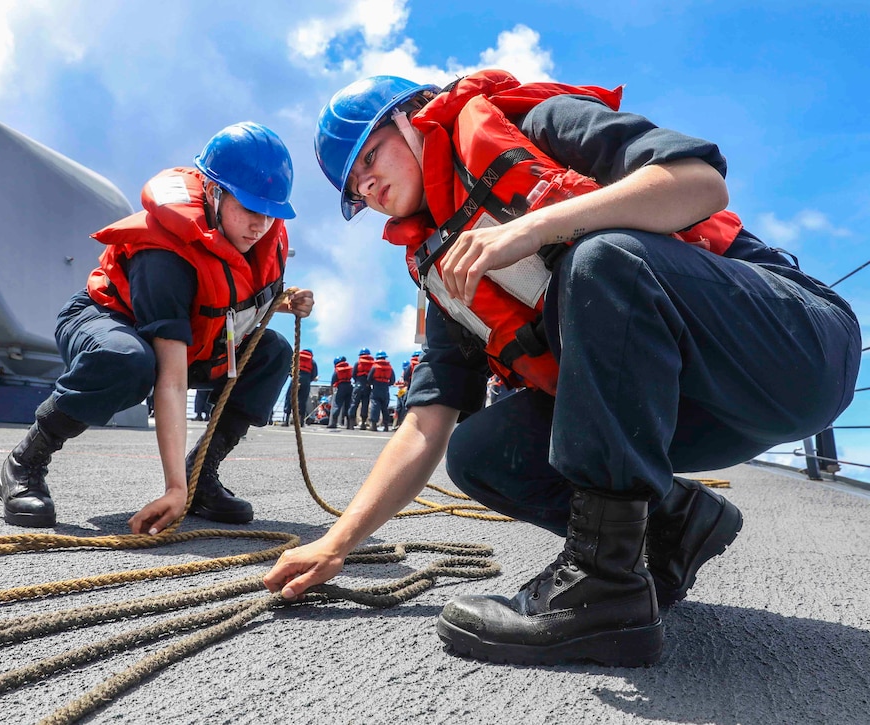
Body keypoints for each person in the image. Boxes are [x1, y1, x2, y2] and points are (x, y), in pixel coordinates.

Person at [265, 70, 860, 667]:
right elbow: (425, 423)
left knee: (601, 260)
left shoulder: (537, 124)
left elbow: (700, 184)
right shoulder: (446, 273)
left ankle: (602, 588)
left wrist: (533, 228)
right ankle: (672, 526)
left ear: (412, 119)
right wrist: (335, 544)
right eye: (354, 186)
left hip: (796, 351)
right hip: (697, 410)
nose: (366, 185)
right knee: (481, 450)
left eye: (370, 155)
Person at [0, 122, 314, 533]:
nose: (261, 225)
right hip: (106, 321)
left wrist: (283, 302)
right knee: (127, 361)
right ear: (214, 192)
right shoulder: (165, 256)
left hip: (196, 341)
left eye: (270, 214)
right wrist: (172, 489)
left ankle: (203, 475)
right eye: (251, 209)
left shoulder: (256, 236)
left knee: (272, 353)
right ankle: (25, 462)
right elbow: (172, 381)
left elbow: (229, 301)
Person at [281, 347, 318, 425]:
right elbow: (314, 375)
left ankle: (286, 420)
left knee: (290, 398)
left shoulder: (296, 358)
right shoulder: (313, 362)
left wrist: (293, 376)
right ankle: (301, 422)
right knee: (302, 400)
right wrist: (308, 380)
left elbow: (290, 369)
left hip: (296, 378)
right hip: (306, 380)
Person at [367, 350, 396, 432]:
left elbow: (369, 378)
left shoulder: (374, 367)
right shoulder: (390, 367)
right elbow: (393, 380)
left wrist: (373, 383)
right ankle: (386, 426)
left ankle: (374, 425)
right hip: (385, 388)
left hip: (376, 387)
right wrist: (387, 384)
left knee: (375, 406)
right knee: (385, 407)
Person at [348, 347, 375, 429]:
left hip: (359, 384)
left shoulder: (358, 363)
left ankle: (351, 423)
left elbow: (353, 374)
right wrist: (369, 383)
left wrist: (357, 381)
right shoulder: (373, 364)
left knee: (354, 403)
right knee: (365, 405)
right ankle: (363, 423)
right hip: (367, 386)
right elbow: (373, 375)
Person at [328, 355, 353, 429]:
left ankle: (333, 423)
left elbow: (333, 380)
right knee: (348, 406)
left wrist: (331, 389)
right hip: (349, 386)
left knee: (337, 404)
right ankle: (349, 425)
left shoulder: (337, 370)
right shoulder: (350, 368)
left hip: (341, 387)